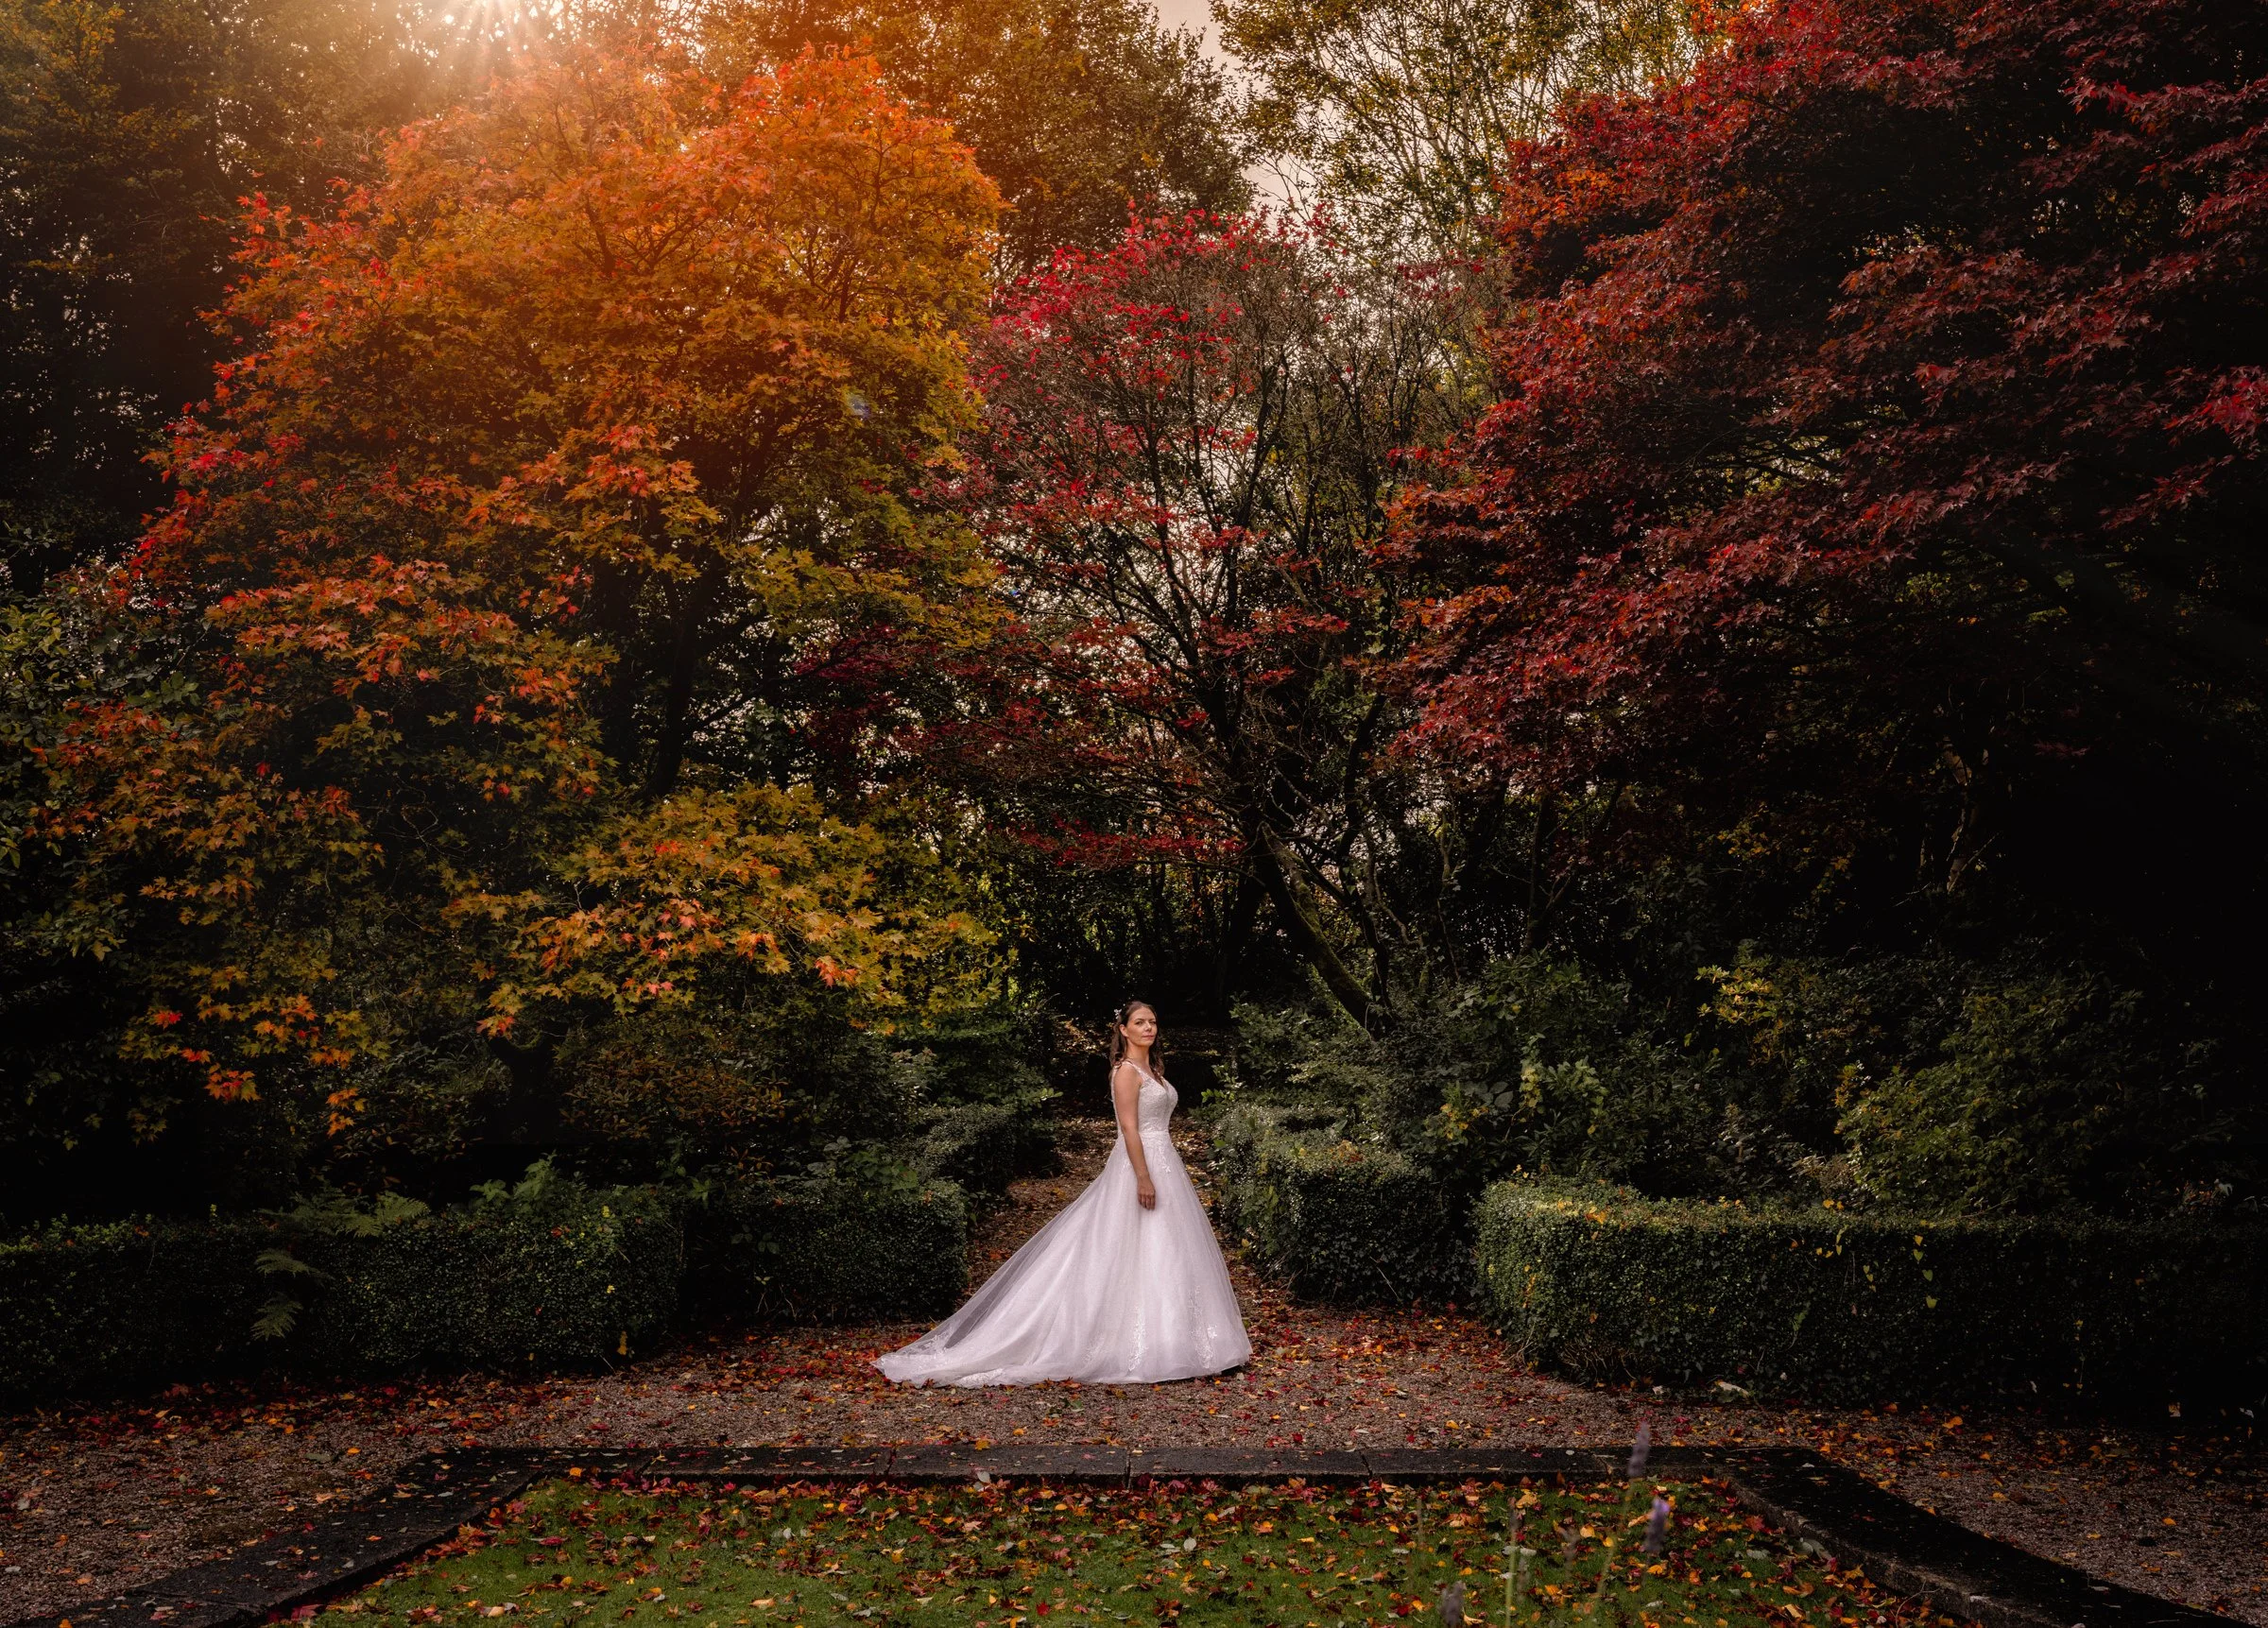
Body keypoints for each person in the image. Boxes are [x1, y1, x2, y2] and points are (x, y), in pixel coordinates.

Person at [872, 1000, 1252, 1386]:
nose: (1149, 1028)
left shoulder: (1153, 1069)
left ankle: (1179, 1339)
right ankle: (1132, 1342)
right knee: (1132, 1245)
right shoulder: (1124, 1072)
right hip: (1141, 1162)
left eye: (1153, 1021)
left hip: (1166, 1160)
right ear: (1123, 1029)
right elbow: (1129, 1129)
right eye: (1140, 1022)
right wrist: (1142, 1176)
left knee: (1169, 1248)